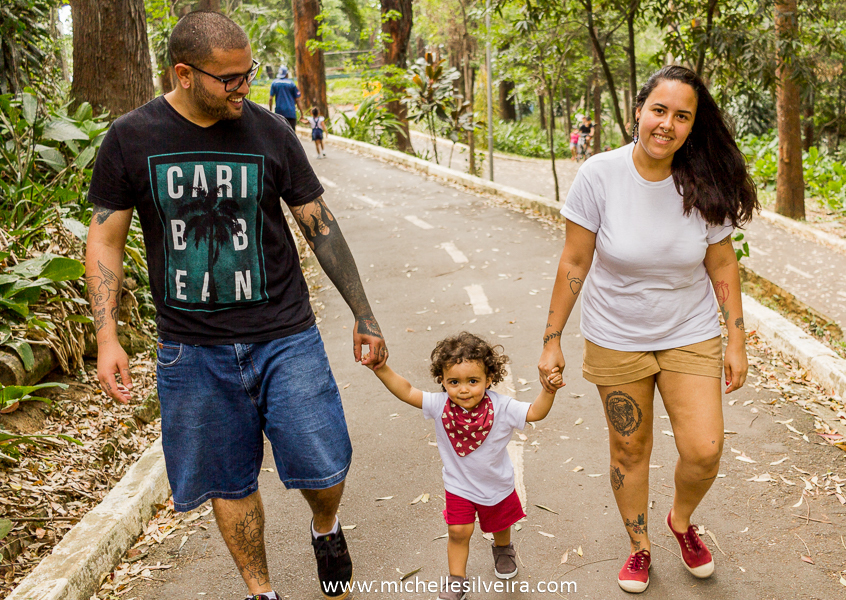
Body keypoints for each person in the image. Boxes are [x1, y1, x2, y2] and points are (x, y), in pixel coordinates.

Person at [84, 11, 387, 600]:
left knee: (325, 464)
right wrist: (107, 336)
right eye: (230, 78)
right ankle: (261, 590)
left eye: (248, 73)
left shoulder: (270, 131)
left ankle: (325, 524)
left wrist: (364, 313)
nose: (245, 87)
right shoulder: (131, 137)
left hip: (285, 335)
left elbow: (319, 225)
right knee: (227, 480)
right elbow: (105, 238)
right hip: (192, 349)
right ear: (184, 74)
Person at [538, 65, 758, 594]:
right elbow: (574, 261)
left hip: (690, 331)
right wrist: (552, 339)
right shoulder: (600, 175)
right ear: (638, 111)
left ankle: (680, 522)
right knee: (629, 451)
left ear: (692, 125)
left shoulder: (703, 180)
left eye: (682, 116)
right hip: (616, 337)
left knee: (704, 449)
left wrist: (737, 339)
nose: (667, 124)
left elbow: (722, 262)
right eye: (659, 110)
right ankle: (639, 545)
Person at [366, 332, 563, 600]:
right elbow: (408, 391)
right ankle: (456, 579)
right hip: (458, 486)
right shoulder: (439, 405)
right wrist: (381, 369)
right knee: (458, 531)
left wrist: (548, 391)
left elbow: (535, 412)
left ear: (488, 379)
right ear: (442, 381)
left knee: (500, 524)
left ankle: (503, 549)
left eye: (473, 381)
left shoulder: (503, 407)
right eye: (454, 382)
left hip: (496, 483)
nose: (463, 389)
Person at [268, 65, 303, 129]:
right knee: (291, 133)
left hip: (279, 113)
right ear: (287, 74)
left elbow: (270, 99)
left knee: (280, 132)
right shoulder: (291, 84)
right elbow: (297, 100)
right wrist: (302, 114)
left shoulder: (274, 83)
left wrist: (270, 112)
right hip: (291, 113)